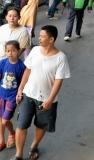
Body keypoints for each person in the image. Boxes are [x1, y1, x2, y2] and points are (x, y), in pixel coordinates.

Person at [13, 25, 71, 160]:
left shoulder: (61, 58)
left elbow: (58, 81)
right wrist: (20, 89)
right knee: (21, 125)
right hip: (28, 94)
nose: (39, 38)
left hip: (46, 98)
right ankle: (18, 154)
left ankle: (34, 145)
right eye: (39, 36)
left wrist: (50, 100)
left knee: (41, 124)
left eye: (42, 36)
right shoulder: (35, 51)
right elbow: (28, 70)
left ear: (51, 39)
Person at [0, 40, 27, 153]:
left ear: (18, 51)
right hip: (0, 96)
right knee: (0, 119)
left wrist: (20, 95)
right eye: (8, 51)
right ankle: (1, 140)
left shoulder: (21, 66)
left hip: (12, 98)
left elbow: (23, 83)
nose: (10, 53)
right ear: (5, 52)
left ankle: (12, 133)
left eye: (13, 50)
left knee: (5, 121)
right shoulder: (3, 63)